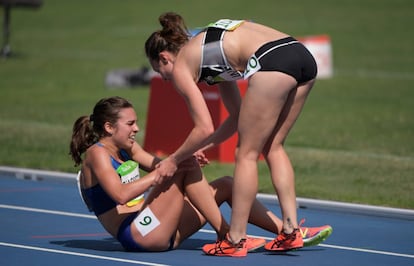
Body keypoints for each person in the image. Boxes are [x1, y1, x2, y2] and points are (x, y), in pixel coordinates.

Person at [145, 12, 321, 256]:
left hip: (272, 60)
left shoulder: (182, 66)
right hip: (301, 55)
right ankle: (290, 231)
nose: (164, 79)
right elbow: (238, 117)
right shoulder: (210, 55)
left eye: (160, 71)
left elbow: (203, 127)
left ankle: (236, 239)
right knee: (272, 146)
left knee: (245, 153)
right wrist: (201, 148)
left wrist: (173, 160)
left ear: (164, 58)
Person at [69, 96, 331, 254]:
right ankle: (229, 236)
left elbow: (161, 164)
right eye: (130, 124)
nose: (137, 128)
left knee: (227, 184)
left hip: (161, 227)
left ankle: (290, 232)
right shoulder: (97, 154)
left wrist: (182, 160)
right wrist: (172, 166)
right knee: (181, 167)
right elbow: (121, 194)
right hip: (137, 234)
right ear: (108, 127)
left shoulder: (129, 147)